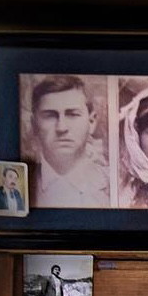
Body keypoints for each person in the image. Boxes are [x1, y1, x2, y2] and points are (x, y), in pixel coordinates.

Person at [28, 75, 109, 208]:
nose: (61, 128)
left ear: (92, 121)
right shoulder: (21, 185)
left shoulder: (117, 186)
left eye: (72, 114)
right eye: (50, 116)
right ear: (34, 124)